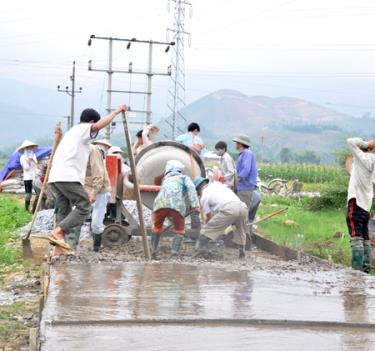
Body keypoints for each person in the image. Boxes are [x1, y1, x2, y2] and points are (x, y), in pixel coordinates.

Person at [48, 104, 128, 256]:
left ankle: (58, 250)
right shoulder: (83, 129)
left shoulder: (72, 134)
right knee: (84, 206)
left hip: (56, 177)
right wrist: (116, 112)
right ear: (91, 122)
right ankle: (57, 232)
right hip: (67, 176)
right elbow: (99, 125)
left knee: (64, 212)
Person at [151, 160, 200, 259]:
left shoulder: (166, 179)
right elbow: (191, 188)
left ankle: (153, 252)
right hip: (176, 205)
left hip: (159, 205)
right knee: (179, 230)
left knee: (156, 228)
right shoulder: (184, 178)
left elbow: (159, 186)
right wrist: (195, 205)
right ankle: (174, 254)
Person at [193, 177, 248, 259]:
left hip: (230, 209)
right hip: (242, 207)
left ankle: (199, 251)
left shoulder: (203, 197)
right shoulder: (217, 184)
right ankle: (242, 253)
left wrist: (207, 228)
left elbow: (209, 217)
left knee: (206, 230)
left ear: (198, 188)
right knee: (240, 231)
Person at [346, 137, 375, 273]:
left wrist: (367, 143)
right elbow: (352, 172)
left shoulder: (364, 158)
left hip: (356, 203)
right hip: (365, 207)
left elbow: (350, 141)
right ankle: (365, 269)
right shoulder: (370, 163)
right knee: (365, 237)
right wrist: (350, 158)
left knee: (356, 237)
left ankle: (356, 271)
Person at [84, 140, 112, 252]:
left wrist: (94, 192)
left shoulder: (94, 151)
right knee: (82, 217)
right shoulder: (84, 151)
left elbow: (98, 175)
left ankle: (96, 247)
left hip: (99, 190)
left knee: (96, 221)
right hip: (86, 189)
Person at [232, 134, 258, 217]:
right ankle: (243, 229)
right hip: (243, 186)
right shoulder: (244, 154)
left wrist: (238, 177)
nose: (236, 145)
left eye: (237, 143)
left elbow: (246, 169)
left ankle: (243, 229)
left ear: (240, 144)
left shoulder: (247, 153)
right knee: (242, 210)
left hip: (245, 186)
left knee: (243, 211)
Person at [18, 140, 39, 212]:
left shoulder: (34, 156)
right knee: (28, 193)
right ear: (25, 149)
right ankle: (26, 208)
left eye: (31, 148)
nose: (30, 149)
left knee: (38, 193)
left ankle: (35, 209)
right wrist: (28, 161)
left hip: (35, 177)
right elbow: (26, 168)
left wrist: (32, 160)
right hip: (27, 178)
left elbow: (36, 166)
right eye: (28, 148)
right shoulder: (23, 157)